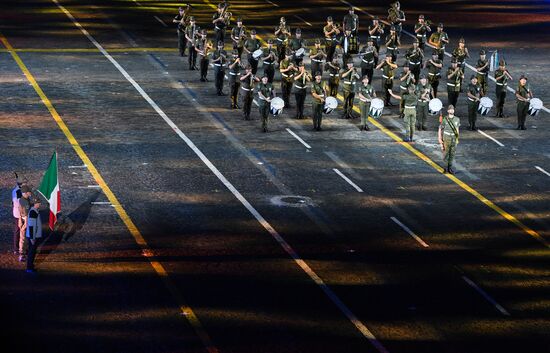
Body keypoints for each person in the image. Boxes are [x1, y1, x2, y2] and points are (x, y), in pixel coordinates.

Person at [438, 104, 460, 174]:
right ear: (448, 111)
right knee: (446, 153)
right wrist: (439, 139)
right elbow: (440, 129)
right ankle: (445, 168)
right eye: (450, 109)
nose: (452, 110)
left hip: (454, 138)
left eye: (453, 109)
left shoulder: (457, 119)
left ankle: (449, 168)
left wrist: (457, 139)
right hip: (446, 138)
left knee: (452, 154)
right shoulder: (445, 119)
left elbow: (457, 129)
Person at [25, 198, 42, 273]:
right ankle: (29, 268)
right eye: (39, 203)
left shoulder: (34, 211)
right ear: (35, 204)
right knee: (32, 252)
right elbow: (32, 226)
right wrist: (32, 238)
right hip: (33, 236)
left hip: (33, 236)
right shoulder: (33, 212)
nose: (40, 204)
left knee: (32, 251)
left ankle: (30, 266)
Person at [11, 176, 26, 255]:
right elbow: (18, 204)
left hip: (22, 213)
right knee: (17, 231)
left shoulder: (21, 190)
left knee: (22, 231)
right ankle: (16, 249)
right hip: (18, 214)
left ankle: (21, 247)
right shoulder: (17, 191)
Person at [18, 185, 32, 262]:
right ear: (25, 193)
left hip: (22, 219)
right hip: (26, 220)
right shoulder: (26, 202)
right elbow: (26, 214)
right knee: (24, 238)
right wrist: (25, 223)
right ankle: (22, 254)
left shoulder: (21, 199)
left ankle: (22, 252)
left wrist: (20, 220)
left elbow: (19, 210)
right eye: (29, 191)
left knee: (22, 237)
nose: (30, 192)